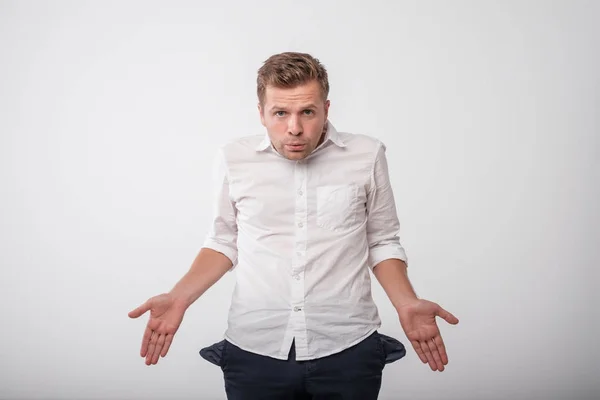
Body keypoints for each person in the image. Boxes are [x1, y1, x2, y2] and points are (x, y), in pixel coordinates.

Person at [128, 52, 459, 399]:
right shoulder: (233, 158)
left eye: (307, 112)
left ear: (326, 109)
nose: (295, 128)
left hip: (347, 346)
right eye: (280, 113)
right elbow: (224, 240)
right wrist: (179, 297)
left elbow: (381, 240)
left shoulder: (367, 154)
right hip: (256, 348)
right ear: (261, 113)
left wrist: (406, 302)